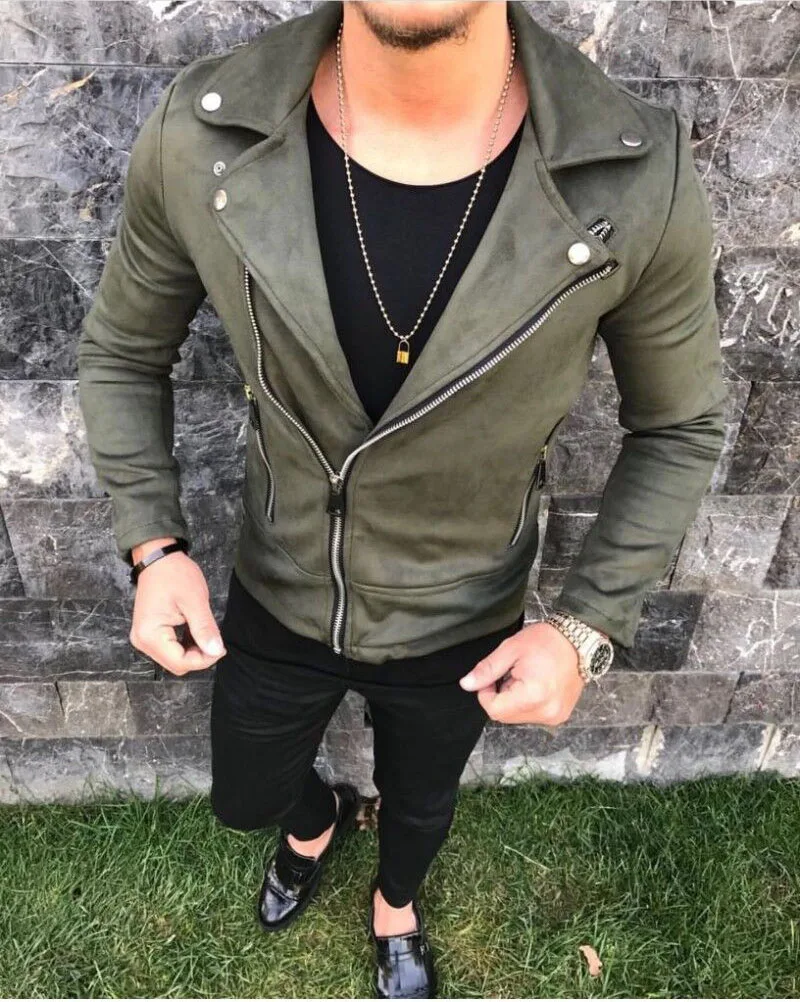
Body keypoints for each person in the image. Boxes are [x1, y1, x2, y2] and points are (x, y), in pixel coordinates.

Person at [76, 1, 727, 997]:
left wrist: (587, 626)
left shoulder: (636, 171)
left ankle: (395, 904)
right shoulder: (205, 128)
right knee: (248, 793)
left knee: (422, 804)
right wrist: (153, 547)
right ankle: (315, 822)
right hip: (280, 582)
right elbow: (124, 350)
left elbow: (678, 426)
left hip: (462, 613)